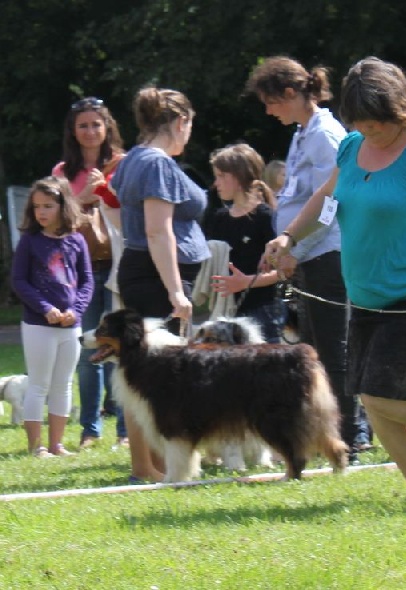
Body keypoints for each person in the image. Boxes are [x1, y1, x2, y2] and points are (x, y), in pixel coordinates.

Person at [264, 56, 406, 500]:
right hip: (365, 294)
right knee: (374, 398)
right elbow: (326, 200)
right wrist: (288, 237)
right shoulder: (350, 148)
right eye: (361, 124)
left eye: (377, 124)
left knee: (380, 393)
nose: (370, 133)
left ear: (399, 110)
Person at [245, 55, 359, 459]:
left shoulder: (326, 134)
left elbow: (334, 200)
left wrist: (297, 247)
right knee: (311, 352)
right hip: (307, 256)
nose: (268, 110)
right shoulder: (302, 133)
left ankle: (351, 435)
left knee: (332, 350)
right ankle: (322, 434)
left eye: (271, 101)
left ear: (291, 93)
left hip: (326, 255)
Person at [111, 87, 210, 483]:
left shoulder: (134, 158)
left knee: (143, 374)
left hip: (142, 270)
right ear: (180, 121)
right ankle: (152, 467)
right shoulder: (156, 164)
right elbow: (158, 231)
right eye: (189, 126)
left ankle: (148, 466)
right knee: (156, 376)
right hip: (155, 277)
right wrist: (176, 292)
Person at [52, 96, 127, 449]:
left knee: (124, 348)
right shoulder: (61, 173)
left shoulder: (125, 164)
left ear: (107, 126)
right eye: (83, 125)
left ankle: (127, 432)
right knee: (88, 352)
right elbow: (55, 218)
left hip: (121, 264)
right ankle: (90, 429)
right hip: (80, 269)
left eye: (96, 124)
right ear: (73, 130)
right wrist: (83, 194)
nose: (90, 131)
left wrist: (107, 189)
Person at [11, 176, 93, 457]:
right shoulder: (29, 241)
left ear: (63, 205)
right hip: (38, 325)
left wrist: (76, 311)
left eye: (48, 205)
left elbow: (87, 282)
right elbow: (19, 281)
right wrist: (46, 308)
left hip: (71, 326)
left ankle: (57, 444)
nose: (41, 212)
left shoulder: (77, 240)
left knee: (64, 384)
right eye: (36, 207)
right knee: (39, 384)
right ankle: (37, 446)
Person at [206, 143, 285, 342]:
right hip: (226, 311)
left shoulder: (266, 217)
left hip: (262, 310)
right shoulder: (219, 218)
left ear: (239, 176)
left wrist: (245, 283)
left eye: (222, 176)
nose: (217, 183)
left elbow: (283, 271)